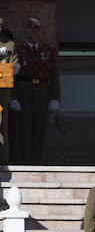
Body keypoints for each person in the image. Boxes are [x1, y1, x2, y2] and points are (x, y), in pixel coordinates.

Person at [11, 17, 59, 164]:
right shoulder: (18, 50)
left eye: (38, 30)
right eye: (32, 30)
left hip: (42, 93)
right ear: (26, 32)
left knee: (40, 130)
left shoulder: (48, 50)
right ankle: (25, 163)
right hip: (24, 93)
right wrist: (13, 97)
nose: (35, 33)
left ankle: (38, 163)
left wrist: (55, 97)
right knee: (25, 130)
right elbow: (12, 76)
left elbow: (54, 76)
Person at [0, 17, 18, 163]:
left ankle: (3, 159)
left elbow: (14, 68)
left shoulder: (7, 45)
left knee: (2, 128)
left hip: (2, 94)